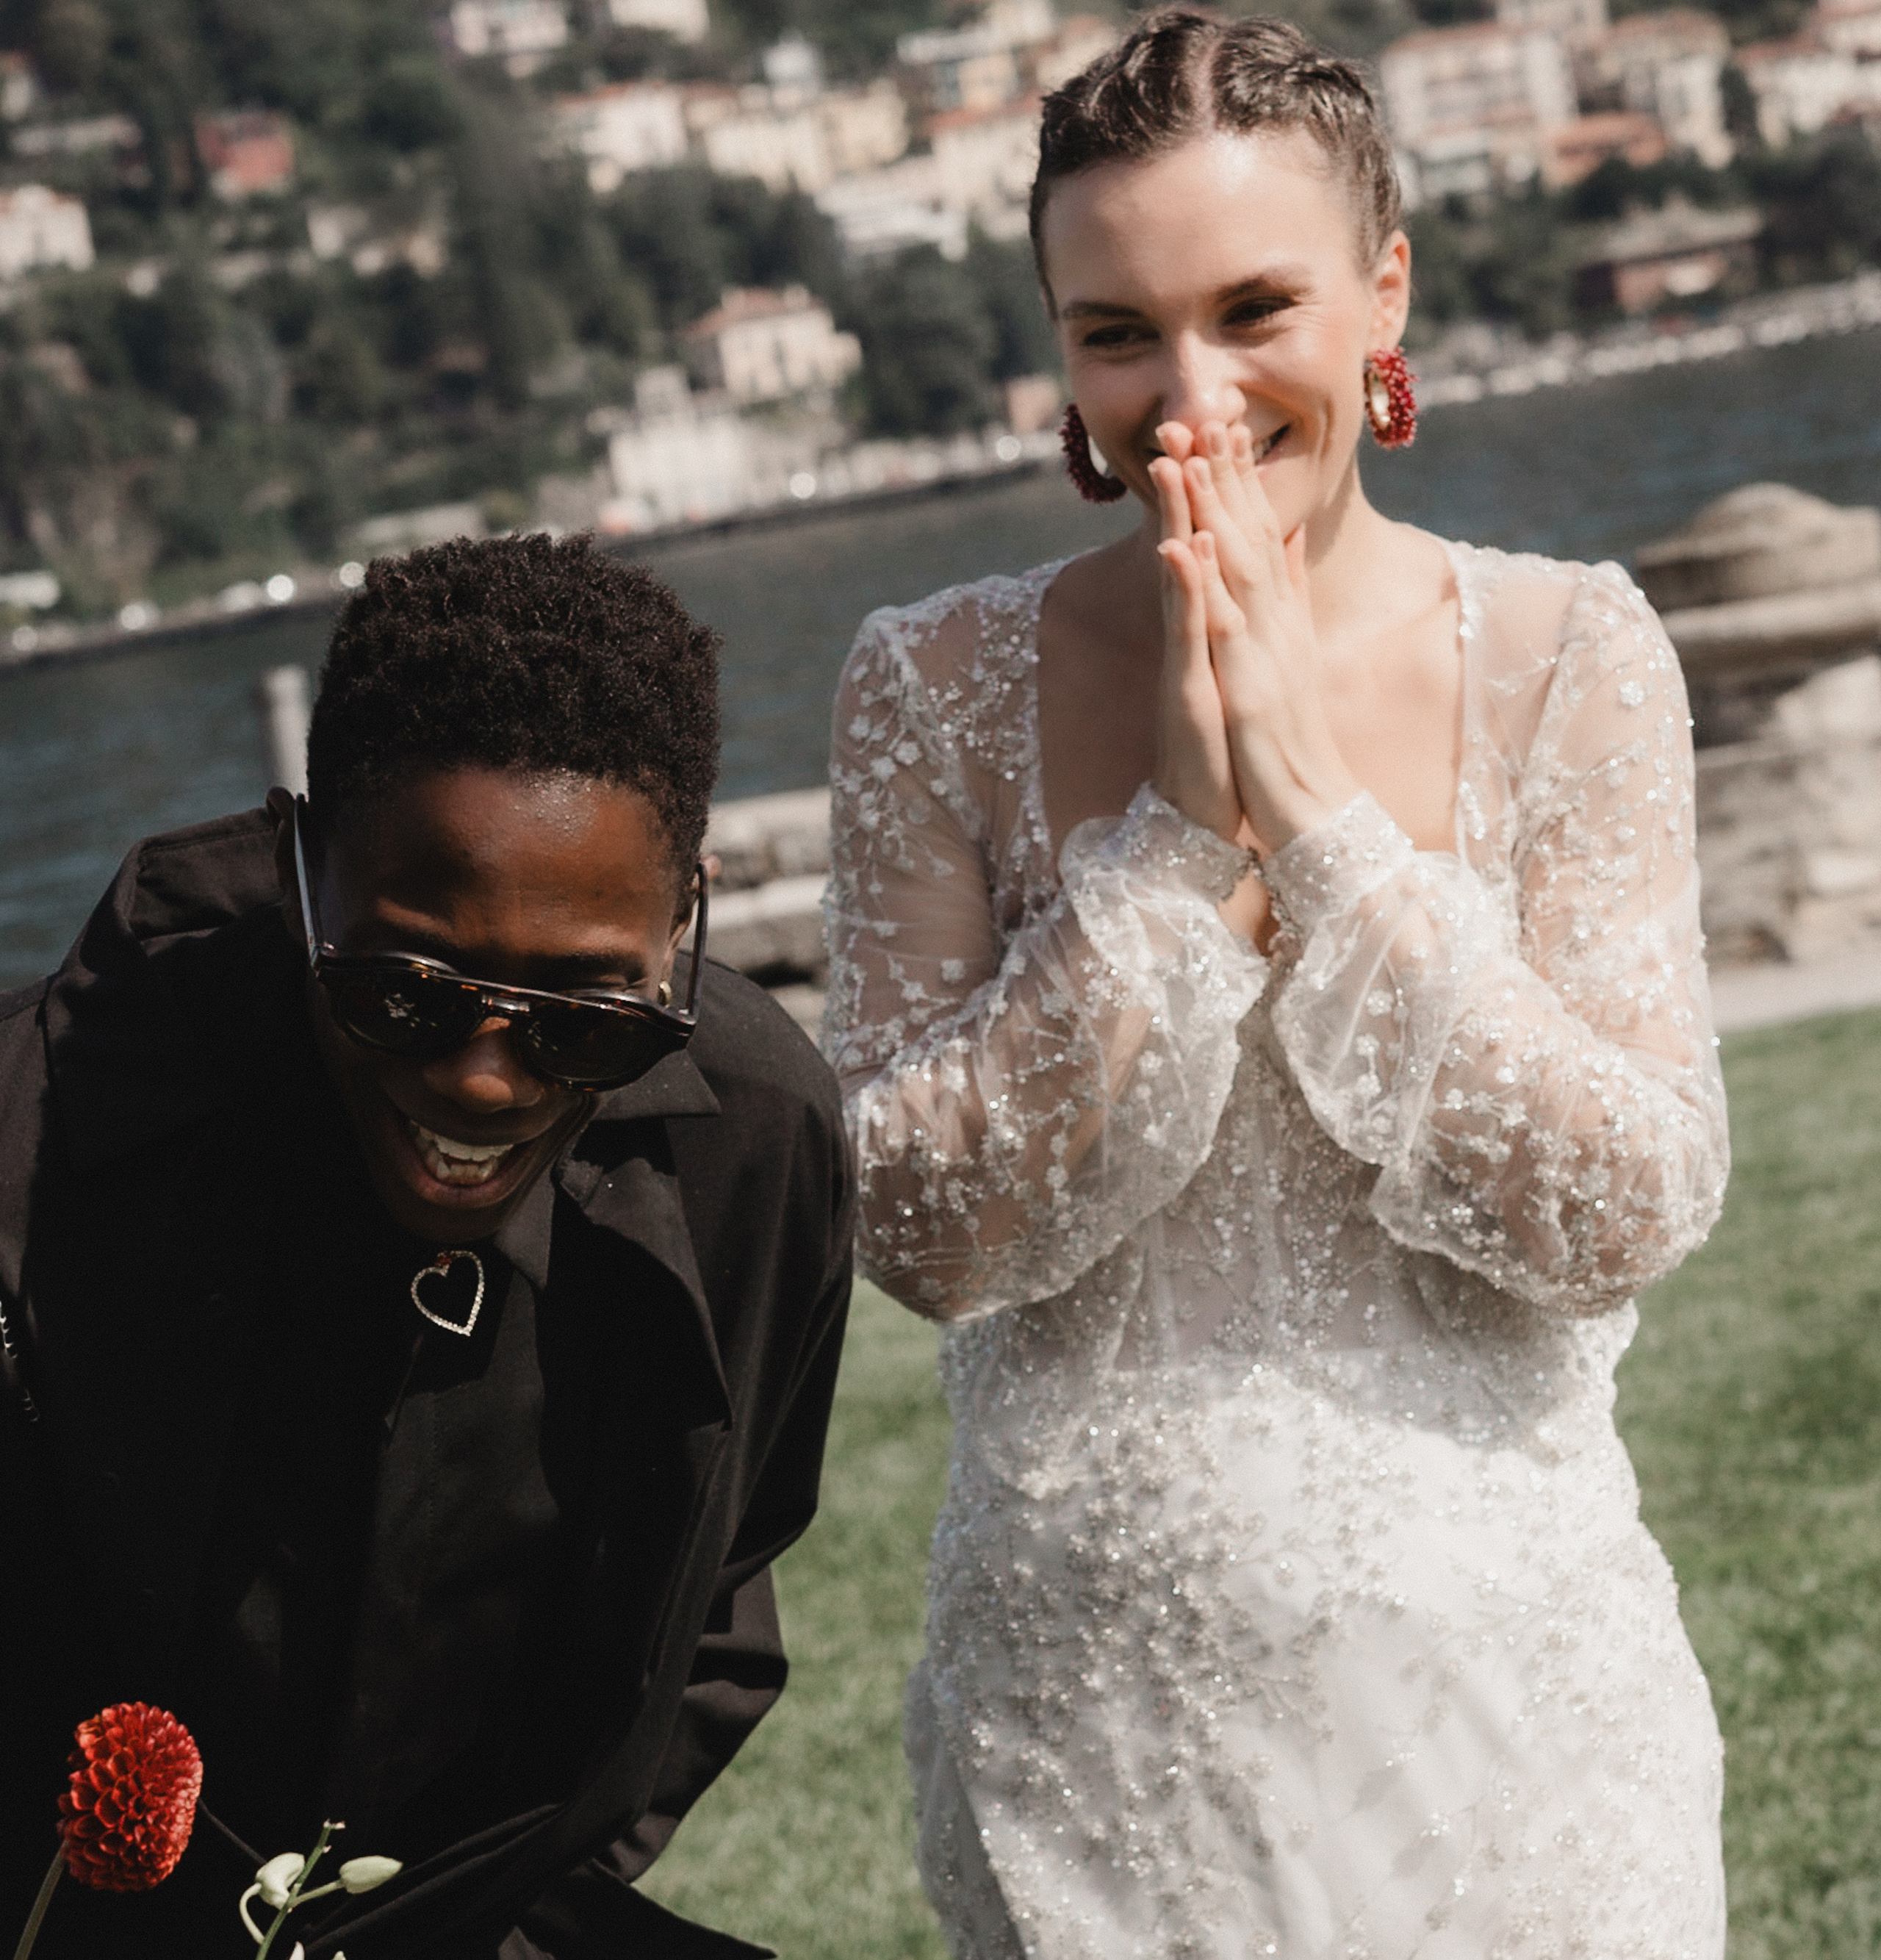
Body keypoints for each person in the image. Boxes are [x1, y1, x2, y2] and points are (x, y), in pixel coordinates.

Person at [822, 13, 1730, 1956]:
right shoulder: (928, 684)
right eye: (1118, 329)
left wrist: (1317, 827)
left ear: (1385, 285)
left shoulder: (1577, 654)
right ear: (1057, 349)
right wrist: (1165, 841)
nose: (1192, 397)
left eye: (1255, 308)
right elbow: (913, 1224)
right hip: (1099, 1753)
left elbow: (1632, 1205)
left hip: (1523, 1733)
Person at [0, 534, 855, 1959]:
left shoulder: (751, 1141)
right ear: (300, 869)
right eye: (401, 994)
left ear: (680, 924)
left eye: (587, 1016)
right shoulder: (38, 1140)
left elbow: (711, 1608)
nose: (483, 1079)